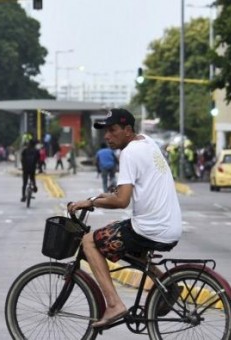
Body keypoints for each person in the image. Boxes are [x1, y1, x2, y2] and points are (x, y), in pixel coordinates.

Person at [67, 108, 181, 328]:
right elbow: (126, 192)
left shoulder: (129, 152)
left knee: (90, 241)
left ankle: (113, 304)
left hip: (151, 227)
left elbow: (122, 201)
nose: (107, 136)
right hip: (168, 225)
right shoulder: (146, 142)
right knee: (118, 238)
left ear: (128, 130)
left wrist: (90, 202)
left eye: (113, 130)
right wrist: (102, 197)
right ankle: (167, 284)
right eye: (105, 131)